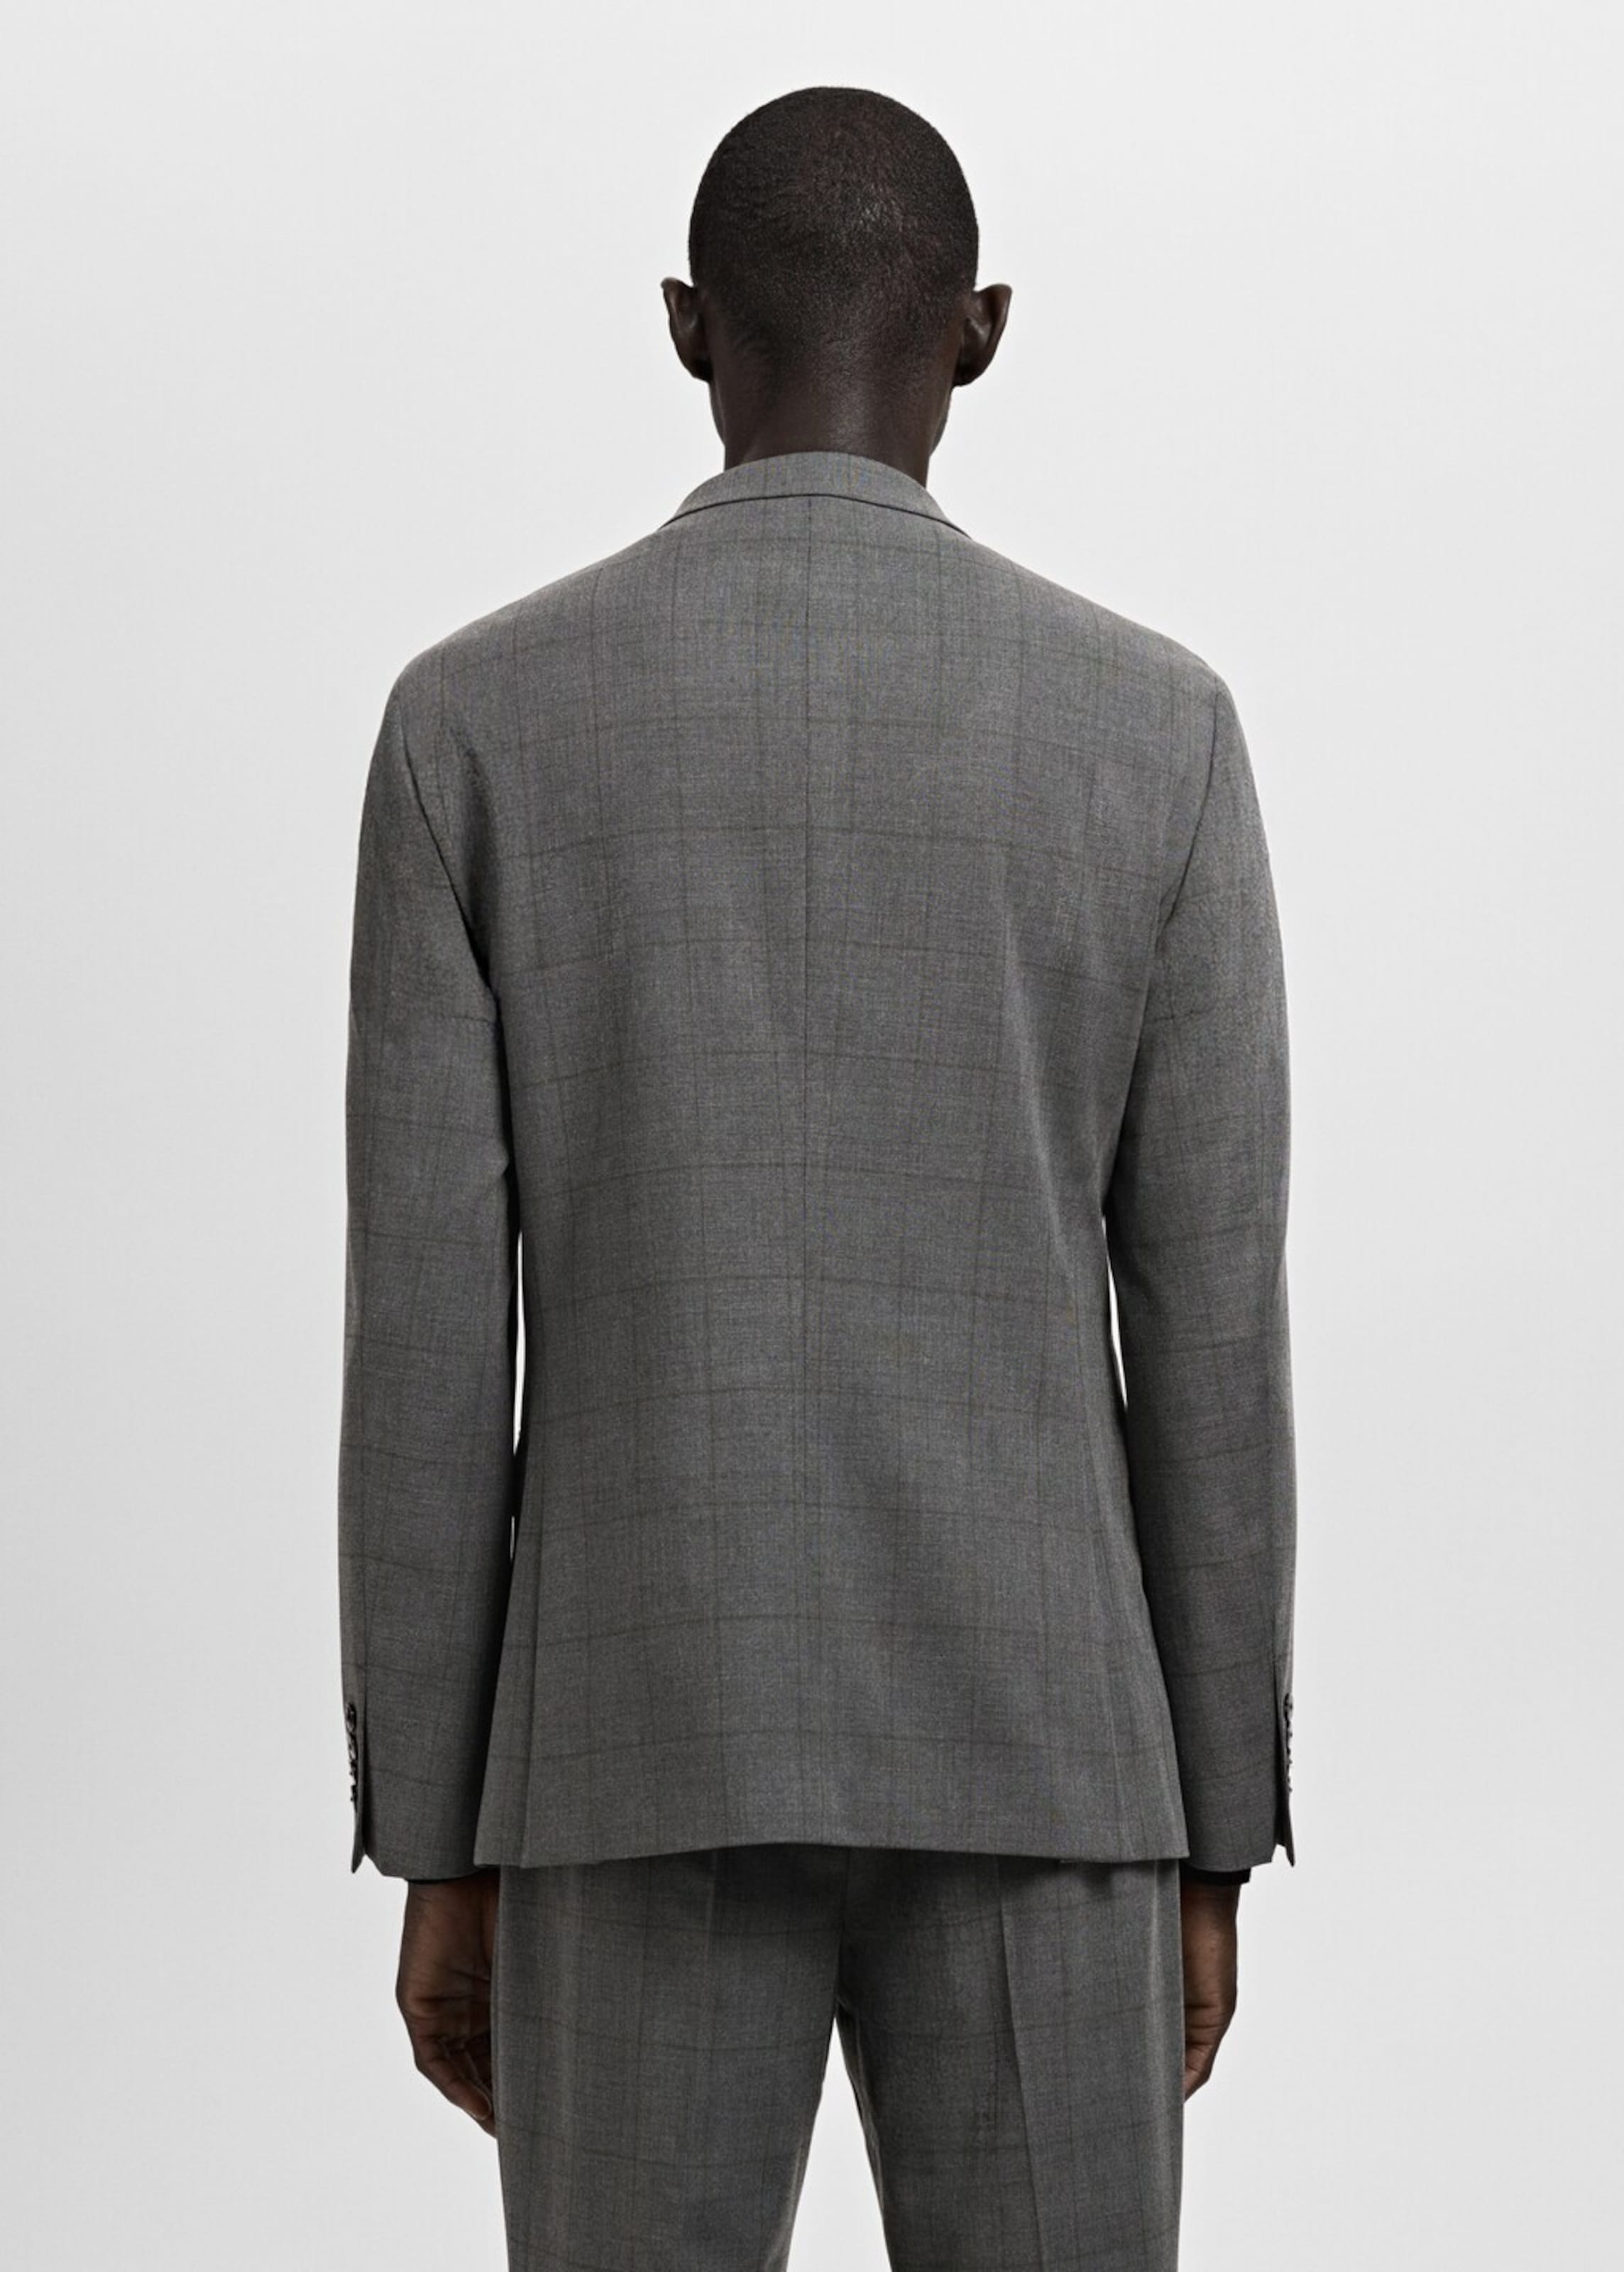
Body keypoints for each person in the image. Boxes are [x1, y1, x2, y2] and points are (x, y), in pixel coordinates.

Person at [338, 83, 1297, 2271]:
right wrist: (1214, 1834)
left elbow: (428, 1339)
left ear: (690, 327)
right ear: (982, 331)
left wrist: (439, 1837)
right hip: (1054, 1759)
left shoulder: (470, 728)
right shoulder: (1157, 735)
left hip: (620, 1757)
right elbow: (1212, 1325)